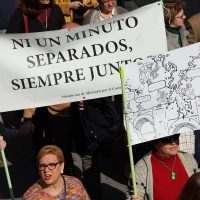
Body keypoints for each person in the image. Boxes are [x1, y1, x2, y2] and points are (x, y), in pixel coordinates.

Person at [6, 0, 66, 159]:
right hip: (34, 79)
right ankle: (43, 162)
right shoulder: (22, 14)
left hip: (56, 76)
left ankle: (60, 162)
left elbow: (66, 38)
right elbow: (9, 44)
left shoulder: (57, 10)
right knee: (37, 123)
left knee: (58, 123)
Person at [129, 134, 198, 200]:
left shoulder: (188, 158)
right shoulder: (141, 168)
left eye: (175, 136)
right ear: (155, 143)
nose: (173, 142)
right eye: (167, 139)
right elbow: (134, 194)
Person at [23, 145, 90, 199]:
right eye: (42, 166)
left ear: (62, 166)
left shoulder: (75, 183)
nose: (46, 170)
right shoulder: (31, 196)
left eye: (51, 165)